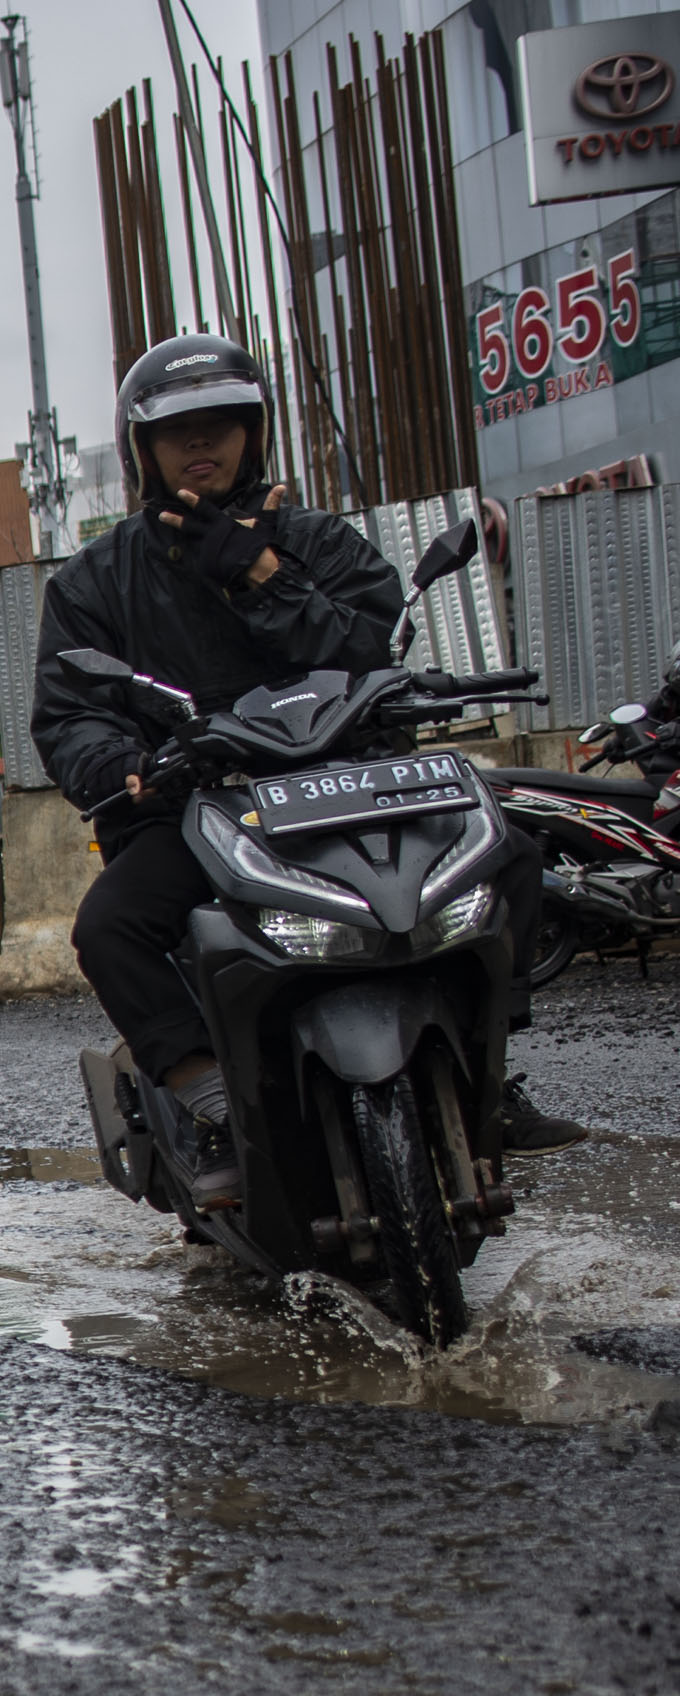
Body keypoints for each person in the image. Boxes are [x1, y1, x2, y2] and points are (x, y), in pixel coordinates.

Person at [35, 333, 582, 1203]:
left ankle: (487, 1064)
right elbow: (69, 714)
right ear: (144, 449)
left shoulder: (314, 541)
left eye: (222, 424)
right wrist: (128, 764)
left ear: (255, 431)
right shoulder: (96, 582)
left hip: (347, 790)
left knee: (509, 849)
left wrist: (260, 575)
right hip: (204, 807)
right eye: (180, 431)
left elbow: (371, 649)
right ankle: (205, 1093)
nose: (202, 444)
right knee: (110, 926)